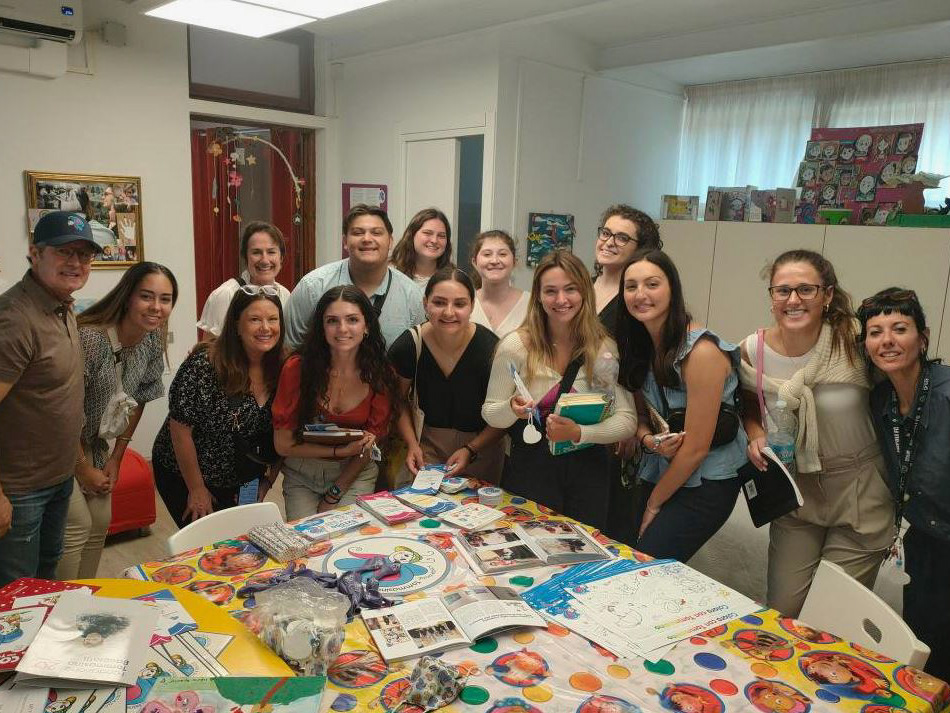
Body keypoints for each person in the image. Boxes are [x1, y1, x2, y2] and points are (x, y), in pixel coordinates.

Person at [739, 250, 892, 616]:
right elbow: (745, 402)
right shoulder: (752, 349)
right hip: (797, 489)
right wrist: (756, 433)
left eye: (806, 289)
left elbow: (898, 390)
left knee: (830, 617)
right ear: (772, 297)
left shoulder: (854, 341)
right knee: (784, 610)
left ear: (827, 295)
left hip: (860, 489)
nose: (793, 300)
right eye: (783, 290)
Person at [482, 250, 637, 530]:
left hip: (589, 475)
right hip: (530, 471)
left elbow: (626, 420)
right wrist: (511, 409)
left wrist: (579, 433)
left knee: (583, 549)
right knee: (528, 545)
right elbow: (491, 413)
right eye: (550, 291)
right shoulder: (516, 346)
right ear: (538, 297)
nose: (561, 299)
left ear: (585, 293)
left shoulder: (602, 349)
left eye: (570, 289)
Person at [616, 249, 746, 561]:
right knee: (627, 554)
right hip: (660, 470)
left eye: (652, 284)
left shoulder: (701, 352)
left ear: (672, 289)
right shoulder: (641, 344)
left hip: (707, 480)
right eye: (631, 286)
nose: (640, 294)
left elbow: (696, 448)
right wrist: (650, 440)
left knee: (646, 562)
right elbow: (641, 417)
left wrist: (653, 504)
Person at [57, 262, 178, 580]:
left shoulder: (151, 339)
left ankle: (84, 597)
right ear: (128, 297)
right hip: (57, 443)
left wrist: (117, 457)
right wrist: (82, 469)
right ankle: (59, 603)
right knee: (77, 525)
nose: (156, 307)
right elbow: (65, 411)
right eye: (147, 296)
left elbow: (139, 398)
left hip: (95, 443)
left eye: (165, 299)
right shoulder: (90, 338)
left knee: (100, 520)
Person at [0, 211, 100, 586]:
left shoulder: (62, 305)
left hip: (57, 478)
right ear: (35, 253)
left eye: (83, 254)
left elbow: (56, 401)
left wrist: (78, 466)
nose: (75, 262)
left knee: (45, 580)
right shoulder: (15, 319)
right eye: (63, 251)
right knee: (17, 594)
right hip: (20, 489)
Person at [858, 288, 950, 680]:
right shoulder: (881, 399)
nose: (887, 341)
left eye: (900, 328)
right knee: (927, 646)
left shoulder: (945, 394)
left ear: (922, 338)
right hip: (924, 536)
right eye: (875, 332)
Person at [152, 288, 284, 529]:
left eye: (273, 319)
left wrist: (267, 480)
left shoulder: (284, 368)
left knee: (240, 538)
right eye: (255, 319)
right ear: (237, 325)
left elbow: (285, 433)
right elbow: (180, 430)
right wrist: (196, 489)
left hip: (243, 475)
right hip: (185, 474)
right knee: (207, 540)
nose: (265, 327)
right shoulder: (205, 364)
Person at [272, 285, 400, 520]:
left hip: (355, 470)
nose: (342, 329)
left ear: (367, 326)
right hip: (302, 472)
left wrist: (334, 494)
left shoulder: (381, 374)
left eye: (352, 319)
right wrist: (338, 450)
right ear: (321, 327)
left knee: (346, 535)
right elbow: (282, 445)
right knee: (305, 538)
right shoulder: (297, 369)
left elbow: (369, 445)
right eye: (332, 321)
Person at [389, 268, 506, 483]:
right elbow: (397, 400)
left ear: (472, 306)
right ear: (425, 303)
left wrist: (471, 449)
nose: (449, 312)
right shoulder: (409, 345)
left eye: (459, 304)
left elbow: (503, 414)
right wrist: (412, 444)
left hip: (482, 449)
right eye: (439, 303)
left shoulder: (491, 348)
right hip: (426, 449)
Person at [592, 204, 663, 546]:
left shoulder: (637, 299)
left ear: (640, 248)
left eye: (622, 237)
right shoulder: (581, 288)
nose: (609, 241)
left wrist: (635, 420)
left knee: (610, 514)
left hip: (620, 411)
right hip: (577, 409)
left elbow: (642, 363)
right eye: (606, 232)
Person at [284, 204, 425, 348]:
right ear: (345, 241)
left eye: (376, 233)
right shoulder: (313, 287)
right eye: (358, 233)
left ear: (390, 241)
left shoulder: (412, 296)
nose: (367, 239)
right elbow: (290, 348)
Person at [197, 221, 291, 338]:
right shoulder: (226, 294)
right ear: (245, 258)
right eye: (256, 252)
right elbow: (210, 347)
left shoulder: (285, 295)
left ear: (281, 258)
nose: (265, 260)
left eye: (271, 252)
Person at [469, 230, 529, 339]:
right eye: (487, 254)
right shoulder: (464, 303)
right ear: (474, 262)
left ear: (514, 261)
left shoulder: (531, 304)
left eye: (502, 254)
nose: (495, 260)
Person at [390, 207, 453, 288]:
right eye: (427, 233)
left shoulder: (454, 279)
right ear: (412, 235)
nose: (434, 240)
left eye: (441, 236)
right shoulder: (390, 274)